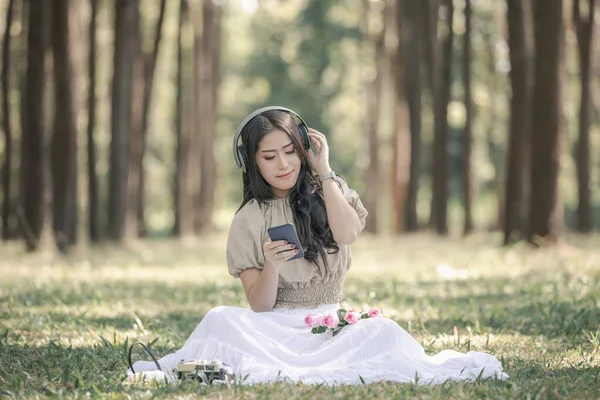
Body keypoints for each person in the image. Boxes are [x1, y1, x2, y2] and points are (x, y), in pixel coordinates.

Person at [130, 106, 508, 385]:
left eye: (291, 151)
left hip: (329, 326)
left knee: (383, 330)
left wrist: (324, 171)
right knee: (219, 318)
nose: (283, 164)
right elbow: (259, 306)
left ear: (303, 149)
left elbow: (347, 234)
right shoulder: (248, 218)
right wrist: (271, 265)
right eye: (269, 155)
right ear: (251, 162)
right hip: (274, 331)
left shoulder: (331, 189)